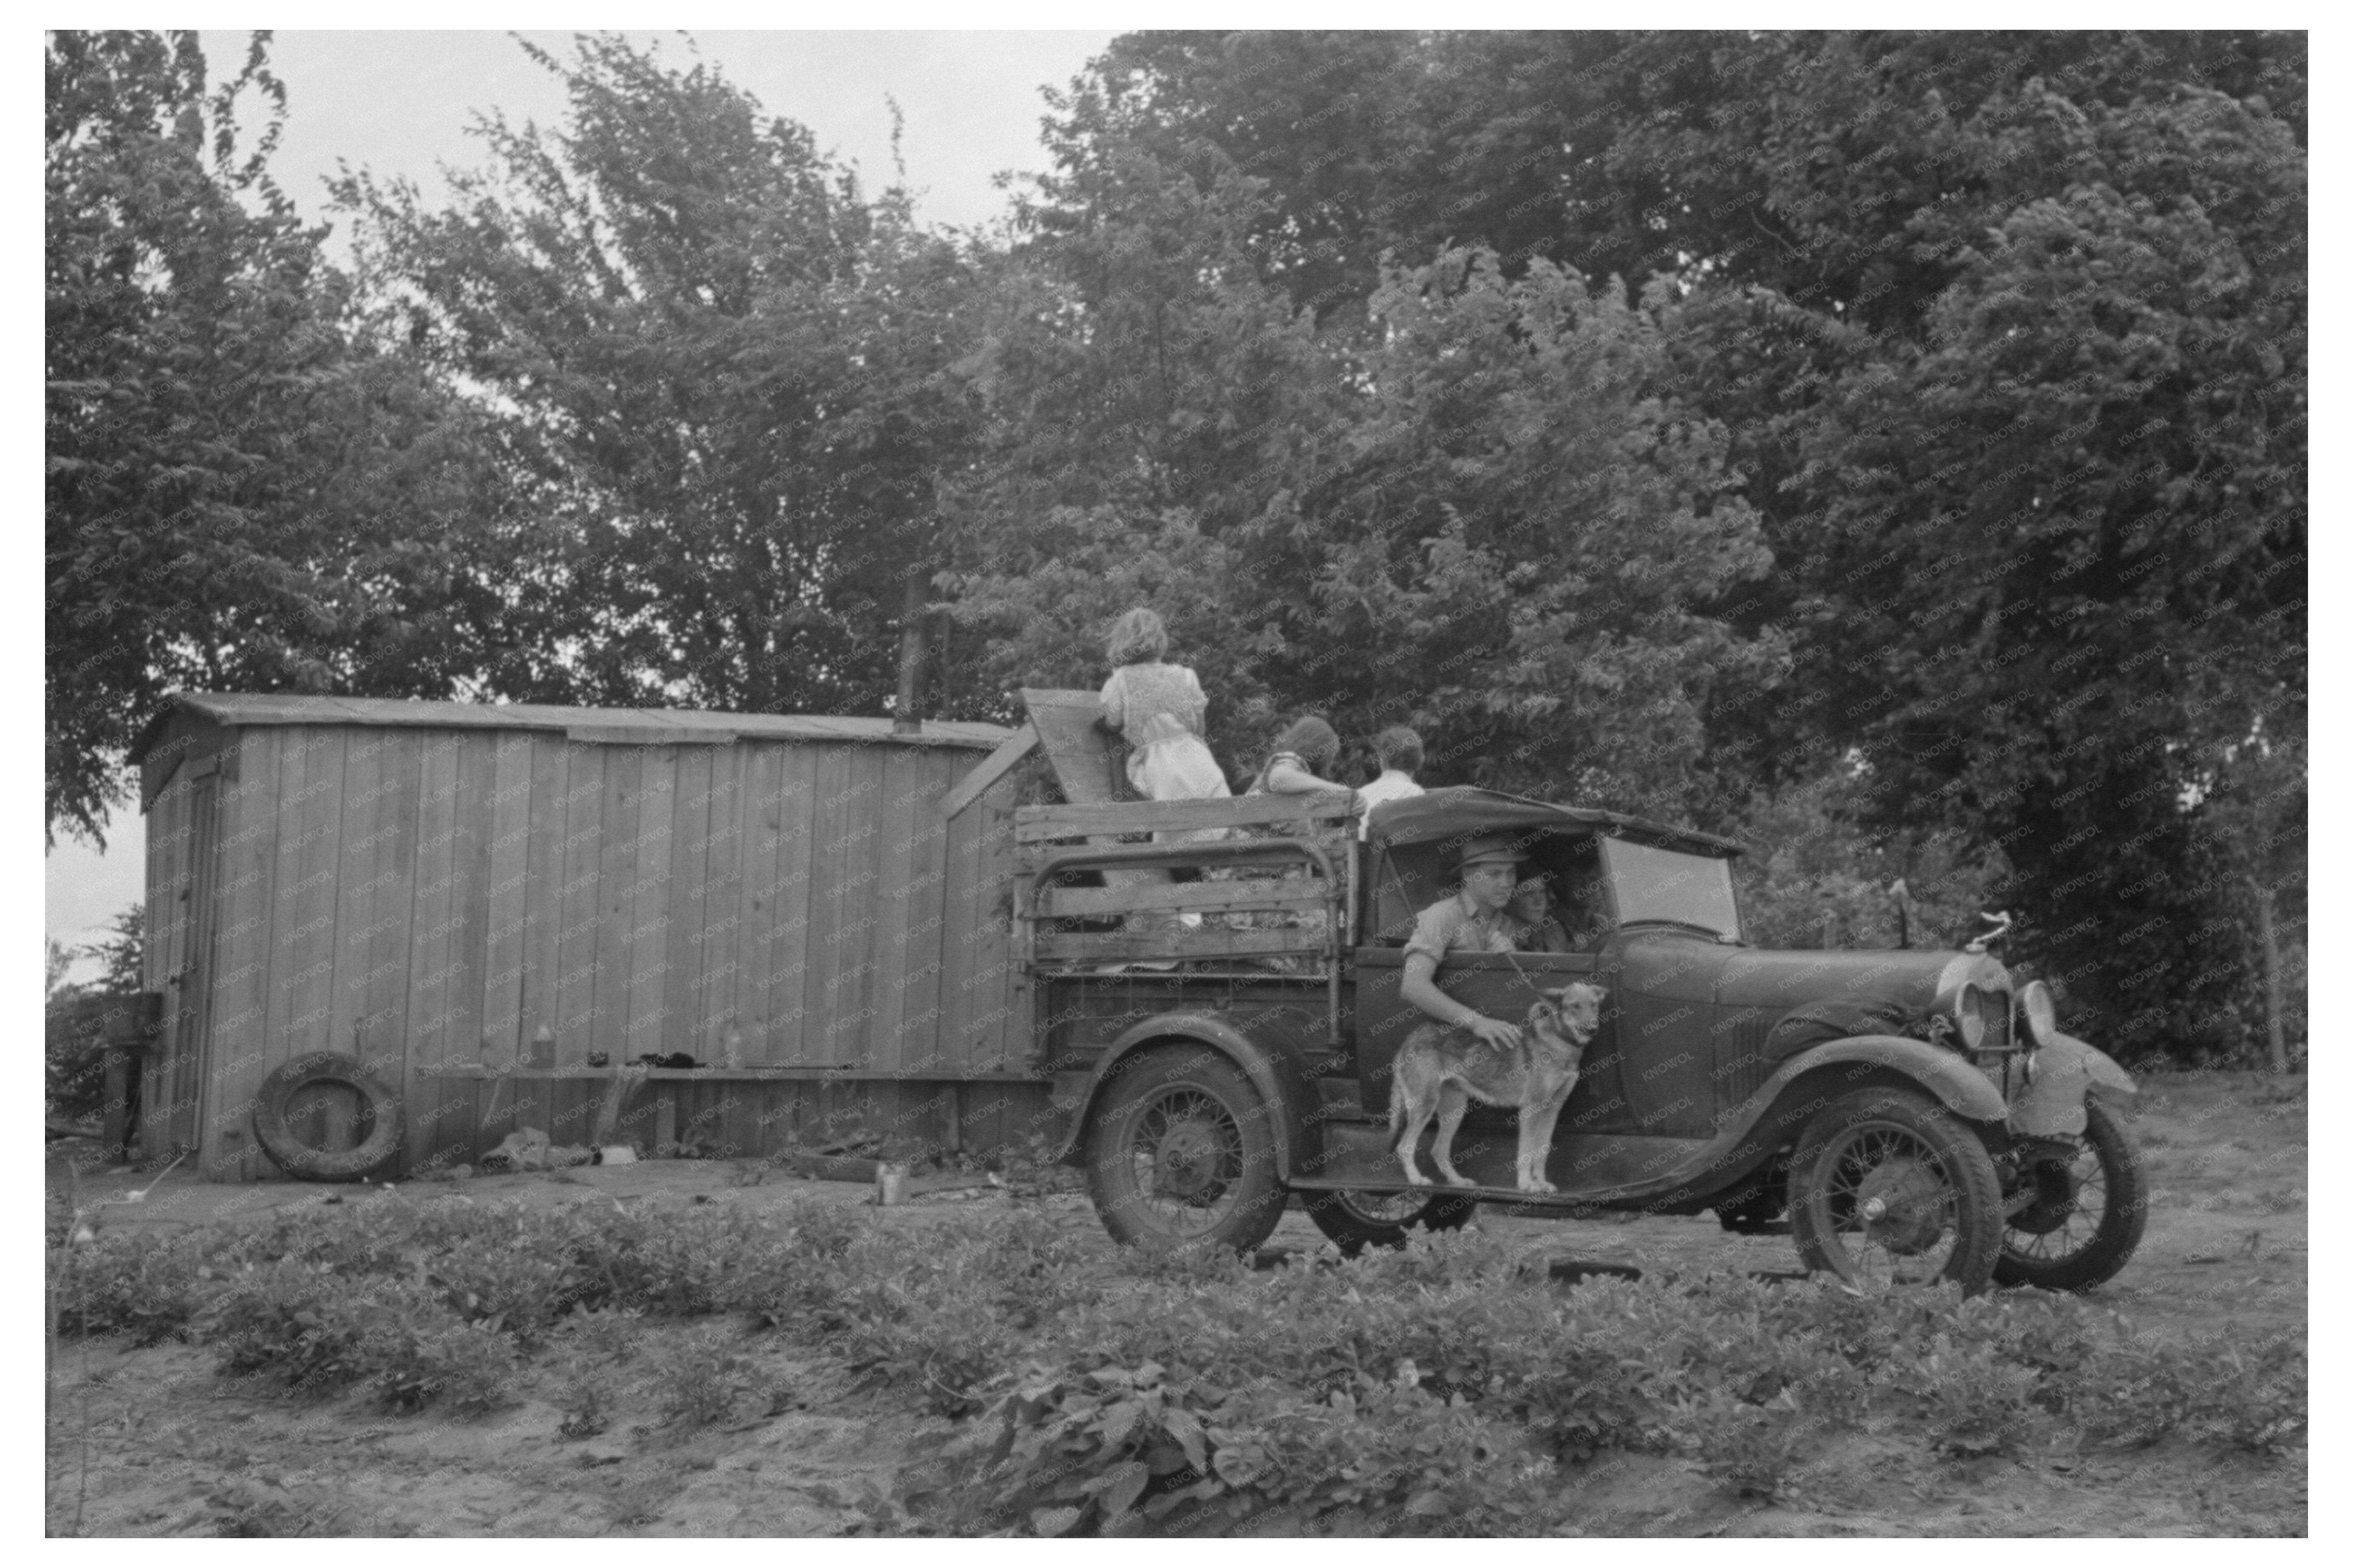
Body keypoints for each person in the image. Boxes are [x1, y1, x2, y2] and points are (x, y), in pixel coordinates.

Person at [1399, 835, 1530, 1049]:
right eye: (1495, 874)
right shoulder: (1442, 916)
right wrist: (1478, 1023)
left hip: (1483, 1046)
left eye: (1511, 873)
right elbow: (1413, 986)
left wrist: (1508, 959)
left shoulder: (1506, 923)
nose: (1506, 883)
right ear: (1468, 876)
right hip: (1440, 1046)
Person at [1097, 608, 1232, 806]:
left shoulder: (1121, 679)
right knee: (1221, 821)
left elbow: (1114, 721)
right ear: (1161, 640)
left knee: (1175, 825)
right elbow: (1199, 730)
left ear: (1122, 642)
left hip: (1162, 766)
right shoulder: (1186, 676)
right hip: (1198, 759)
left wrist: (1104, 726)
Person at [1355, 725, 1425, 840]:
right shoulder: (1415, 794)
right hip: (1391, 855)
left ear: (1382, 760)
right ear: (1420, 761)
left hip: (1355, 854)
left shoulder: (1359, 794)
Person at [1508, 871, 1575, 953]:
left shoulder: (1553, 929)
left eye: (1542, 892)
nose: (1539, 901)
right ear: (1510, 899)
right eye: (1529, 894)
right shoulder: (1497, 934)